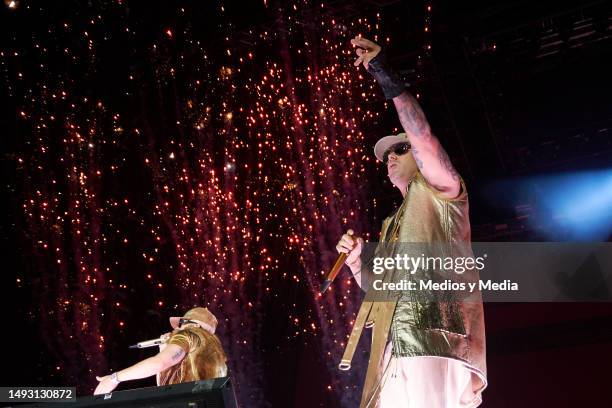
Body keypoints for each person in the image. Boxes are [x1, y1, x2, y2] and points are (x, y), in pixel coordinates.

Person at [335, 37, 487, 408]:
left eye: (400, 149)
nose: (390, 156)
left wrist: (386, 76)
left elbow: (422, 136)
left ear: (420, 157)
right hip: (391, 344)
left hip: (434, 338)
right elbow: (379, 288)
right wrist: (356, 263)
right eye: (386, 154)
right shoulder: (392, 222)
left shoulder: (442, 189)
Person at [94, 307, 227, 395]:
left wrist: (113, 379)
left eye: (181, 324)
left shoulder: (189, 334)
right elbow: (165, 389)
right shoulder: (217, 353)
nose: (177, 329)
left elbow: (159, 363)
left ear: (193, 324)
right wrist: (164, 349)